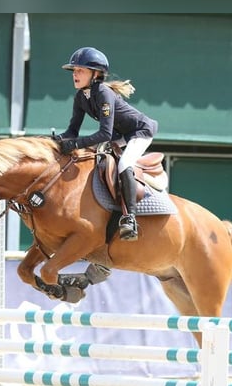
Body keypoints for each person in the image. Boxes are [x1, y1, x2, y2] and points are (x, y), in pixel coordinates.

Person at [55, 47, 158, 241]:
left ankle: (130, 219)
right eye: (74, 70)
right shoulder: (80, 97)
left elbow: (104, 134)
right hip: (119, 133)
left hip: (140, 131)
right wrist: (56, 141)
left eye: (80, 71)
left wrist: (75, 144)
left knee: (124, 163)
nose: (75, 74)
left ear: (95, 74)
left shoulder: (103, 92)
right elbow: (72, 132)